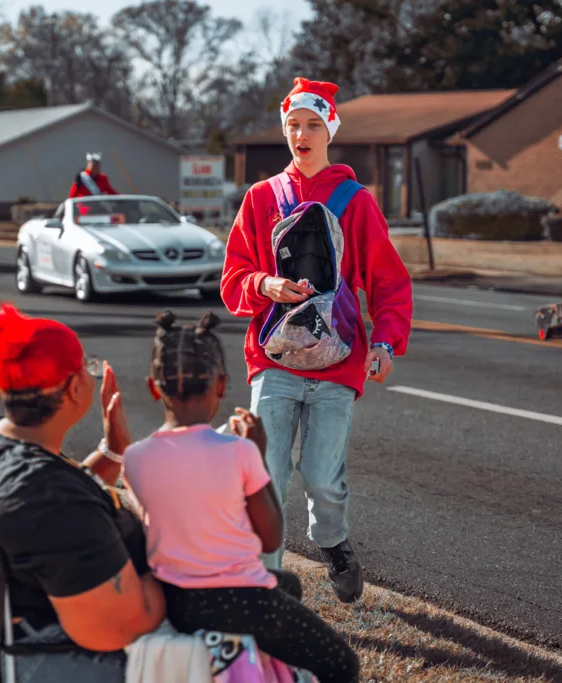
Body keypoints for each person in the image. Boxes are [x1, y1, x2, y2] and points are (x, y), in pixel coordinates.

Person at [221, 77, 413, 604]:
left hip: (338, 362)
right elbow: (233, 278)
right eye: (293, 125)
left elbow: (389, 283)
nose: (301, 134)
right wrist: (264, 283)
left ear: (330, 128)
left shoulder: (355, 201)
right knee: (268, 475)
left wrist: (387, 343)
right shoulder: (261, 198)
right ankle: (269, 587)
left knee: (322, 477)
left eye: (312, 124)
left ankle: (332, 544)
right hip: (274, 360)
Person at [0, 303, 165, 679]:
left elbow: (39, 510)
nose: (91, 375)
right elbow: (118, 627)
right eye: (87, 366)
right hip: (57, 662)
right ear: (73, 388)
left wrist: (113, 450)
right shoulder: (55, 503)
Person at [122, 310, 360, 683]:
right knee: (342, 665)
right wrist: (257, 452)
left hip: (179, 601)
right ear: (221, 386)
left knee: (290, 587)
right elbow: (270, 536)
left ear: (154, 388)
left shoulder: (136, 458)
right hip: (240, 600)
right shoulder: (239, 451)